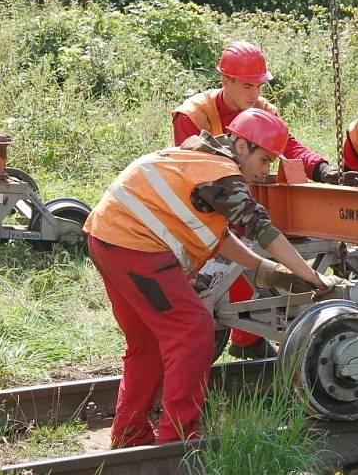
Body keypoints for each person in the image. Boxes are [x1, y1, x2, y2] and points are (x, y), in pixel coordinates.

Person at [84, 108, 336, 448]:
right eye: (264, 160)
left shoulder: (200, 157)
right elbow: (264, 230)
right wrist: (313, 278)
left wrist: (263, 269)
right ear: (243, 146)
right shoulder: (223, 174)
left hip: (108, 238)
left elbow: (217, 235)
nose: (266, 171)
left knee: (147, 343)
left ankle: (129, 438)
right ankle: (179, 441)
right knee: (192, 332)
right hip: (135, 247)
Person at [172, 40, 358, 360]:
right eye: (246, 85)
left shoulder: (263, 111)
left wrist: (323, 170)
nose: (254, 94)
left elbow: (289, 147)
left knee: (250, 259)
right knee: (218, 266)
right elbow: (192, 174)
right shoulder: (193, 114)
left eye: (259, 85)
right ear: (224, 80)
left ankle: (247, 340)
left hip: (245, 202)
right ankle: (199, 332)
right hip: (201, 206)